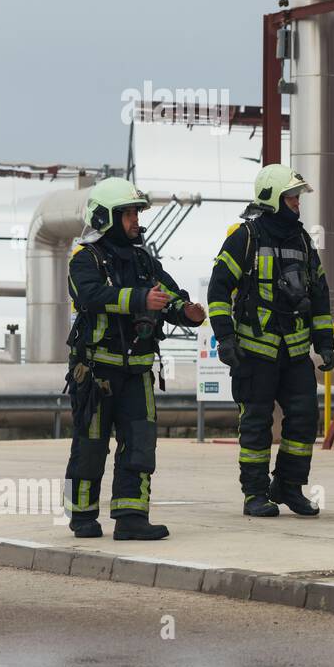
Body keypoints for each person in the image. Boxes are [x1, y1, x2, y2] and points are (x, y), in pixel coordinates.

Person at [63, 177, 205, 540]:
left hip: (138, 371)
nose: (135, 221)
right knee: (90, 444)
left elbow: (168, 295)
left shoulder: (144, 261)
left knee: (140, 444)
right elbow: (90, 296)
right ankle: (81, 516)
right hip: (96, 371)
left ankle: (131, 518)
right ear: (104, 218)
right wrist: (140, 300)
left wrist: (185, 311)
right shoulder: (84, 258)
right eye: (127, 214)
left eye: (136, 213)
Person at [207, 164, 334, 518]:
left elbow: (320, 294)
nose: (297, 204)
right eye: (292, 198)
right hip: (254, 352)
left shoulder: (303, 241)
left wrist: (325, 342)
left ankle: (289, 487)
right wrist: (226, 339)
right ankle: (255, 494)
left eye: (297, 198)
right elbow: (218, 290)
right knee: (256, 424)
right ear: (273, 198)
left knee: (304, 420)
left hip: (295, 353)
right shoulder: (244, 237)